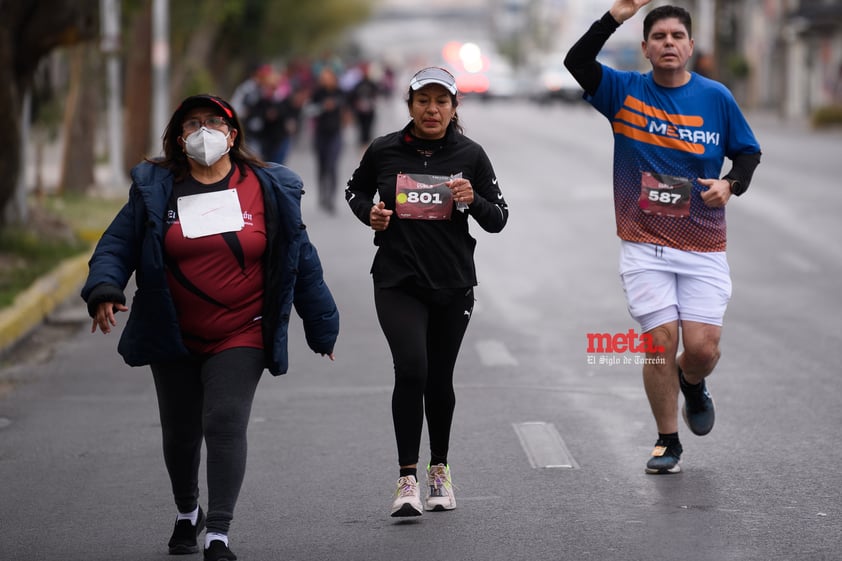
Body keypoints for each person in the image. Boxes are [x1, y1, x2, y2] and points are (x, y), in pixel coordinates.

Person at [81, 94, 339, 560]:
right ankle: (187, 511)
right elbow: (117, 245)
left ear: (232, 133)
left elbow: (300, 258)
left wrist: (321, 327)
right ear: (180, 138)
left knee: (223, 420)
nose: (204, 131)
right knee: (180, 432)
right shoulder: (156, 190)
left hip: (242, 330)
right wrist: (104, 289)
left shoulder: (267, 188)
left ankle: (218, 532)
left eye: (214, 122)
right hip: (172, 329)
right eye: (193, 124)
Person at [564, 1, 761, 474]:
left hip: (704, 244)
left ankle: (691, 382)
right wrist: (617, 16)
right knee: (658, 340)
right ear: (646, 49)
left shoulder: (716, 98)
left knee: (701, 348)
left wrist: (730, 184)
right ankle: (666, 440)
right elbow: (577, 62)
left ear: (690, 47)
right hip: (644, 242)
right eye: (659, 37)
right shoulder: (623, 92)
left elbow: (748, 153)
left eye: (677, 36)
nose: (668, 43)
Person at [345, 67, 508, 516]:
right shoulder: (384, 150)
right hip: (397, 280)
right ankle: (406, 478)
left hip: (453, 284)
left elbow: (499, 217)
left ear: (455, 108)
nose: (431, 110)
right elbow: (355, 191)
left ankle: (440, 469)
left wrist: (472, 199)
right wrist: (371, 215)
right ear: (410, 105)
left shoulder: (470, 154)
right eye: (422, 101)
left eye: (441, 102)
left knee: (438, 378)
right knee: (411, 368)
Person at [309, 67, 349, 214]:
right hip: (320, 134)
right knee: (321, 166)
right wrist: (322, 107)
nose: (326, 80)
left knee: (332, 165)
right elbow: (308, 110)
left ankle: (331, 198)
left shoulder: (340, 92)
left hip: (335, 134)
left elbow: (346, 109)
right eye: (323, 77)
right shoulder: (317, 93)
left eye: (328, 77)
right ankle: (322, 195)